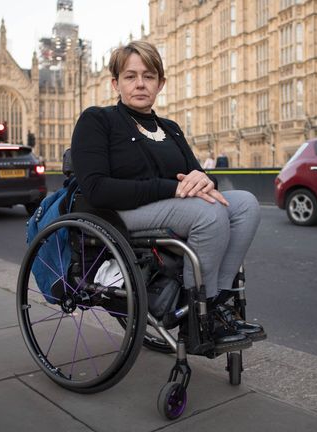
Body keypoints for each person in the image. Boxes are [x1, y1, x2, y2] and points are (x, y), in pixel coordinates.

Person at [71, 41, 265, 348]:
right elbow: (96, 188)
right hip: (119, 213)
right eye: (130, 76)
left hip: (171, 208)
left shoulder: (170, 128)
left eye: (148, 76)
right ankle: (198, 318)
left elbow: (197, 175)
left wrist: (204, 177)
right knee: (209, 214)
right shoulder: (98, 120)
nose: (139, 83)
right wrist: (172, 187)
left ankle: (219, 306)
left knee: (246, 205)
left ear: (161, 83)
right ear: (115, 82)